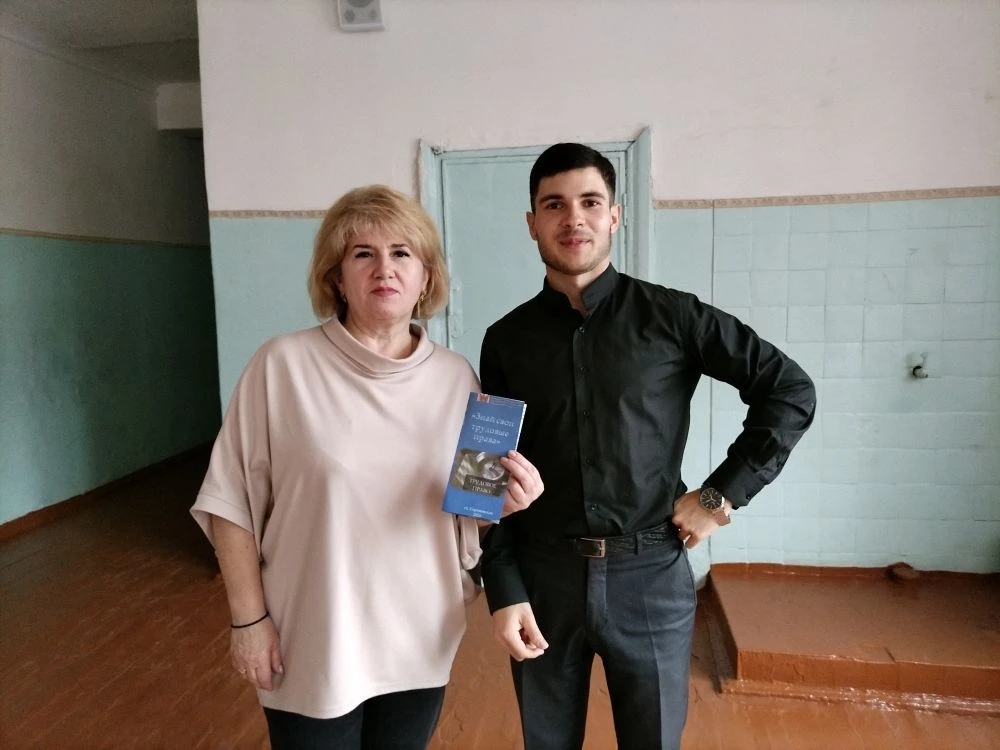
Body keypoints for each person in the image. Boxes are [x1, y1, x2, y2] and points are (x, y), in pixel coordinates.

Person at [479, 144, 816, 750]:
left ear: (615, 215)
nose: (573, 219)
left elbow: (789, 390)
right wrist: (503, 588)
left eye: (590, 202)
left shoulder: (673, 317)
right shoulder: (505, 340)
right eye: (554, 205)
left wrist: (719, 496)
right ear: (531, 222)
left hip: (650, 577)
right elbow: (485, 471)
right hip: (544, 576)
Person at [191, 185, 543, 750]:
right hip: (313, 634)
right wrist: (248, 621)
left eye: (402, 253)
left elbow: (466, 518)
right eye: (363, 254)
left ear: (426, 278)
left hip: (419, 636)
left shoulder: (456, 378)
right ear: (337, 277)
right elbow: (229, 502)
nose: (385, 268)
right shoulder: (282, 366)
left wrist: (501, 505)